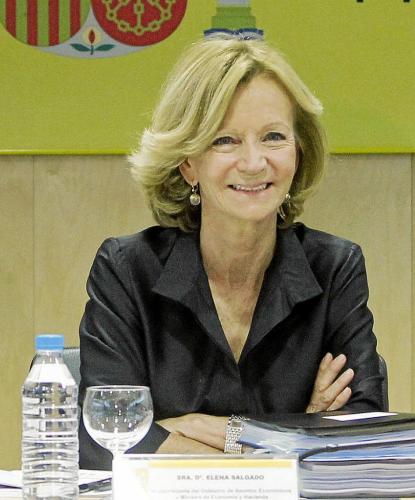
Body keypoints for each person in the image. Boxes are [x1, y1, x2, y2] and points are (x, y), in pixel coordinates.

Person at [78, 35, 385, 469]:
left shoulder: (335, 267)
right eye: (225, 140)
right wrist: (298, 433)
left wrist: (220, 432)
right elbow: (105, 436)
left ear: (298, 152)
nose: (254, 163)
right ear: (188, 163)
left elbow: (364, 431)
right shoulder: (127, 269)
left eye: (273, 137)